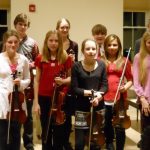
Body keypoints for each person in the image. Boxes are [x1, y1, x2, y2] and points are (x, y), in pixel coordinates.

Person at [34, 30, 73, 150]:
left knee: (58, 130)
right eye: (51, 40)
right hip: (43, 98)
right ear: (46, 42)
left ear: (60, 42)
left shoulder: (65, 57)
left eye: (56, 41)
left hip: (59, 99)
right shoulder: (40, 57)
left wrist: (63, 81)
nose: (53, 43)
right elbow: (37, 80)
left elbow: (71, 78)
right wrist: (36, 103)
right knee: (46, 130)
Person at [71, 38, 108, 150]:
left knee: (95, 142)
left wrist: (98, 96)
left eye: (93, 48)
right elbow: (74, 88)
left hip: (98, 106)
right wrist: (90, 93)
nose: (91, 51)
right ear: (83, 50)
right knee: (79, 143)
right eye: (88, 49)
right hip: (81, 107)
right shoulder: (76, 66)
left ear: (96, 50)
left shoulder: (102, 65)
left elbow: (105, 85)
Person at [0, 29, 30, 150]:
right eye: (10, 42)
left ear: (18, 43)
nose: (13, 45)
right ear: (5, 43)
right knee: (2, 134)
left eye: (15, 42)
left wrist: (21, 83)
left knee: (16, 134)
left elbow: (28, 79)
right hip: (2, 101)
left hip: (18, 102)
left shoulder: (23, 60)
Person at [13, 13, 39, 150]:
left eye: (25, 25)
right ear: (15, 25)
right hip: (12, 84)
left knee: (27, 116)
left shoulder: (33, 43)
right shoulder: (10, 41)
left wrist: (29, 65)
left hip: (27, 84)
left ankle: (29, 143)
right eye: (20, 24)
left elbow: (38, 62)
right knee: (14, 115)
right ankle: (14, 143)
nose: (23, 27)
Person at [103, 34, 133, 150]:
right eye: (109, 45)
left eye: (114, 45)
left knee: (120, 125)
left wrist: (125, 87)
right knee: (107, 124)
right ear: (105, 46)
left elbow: (131, 80)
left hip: (120, 99)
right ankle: (109, 143)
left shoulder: (125, 61)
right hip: (105, 98)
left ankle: (120, 147)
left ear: (119, 46)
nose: (112, 47)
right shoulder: (101, 60)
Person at [56, 17, 78, 150]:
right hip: (57, 81)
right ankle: (58, 141)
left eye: (66, 27)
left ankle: (66, 141)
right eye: (62, 27)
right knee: (57, 112)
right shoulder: (53, 43)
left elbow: (76, 66)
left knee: (68, 113)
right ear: (58, 28)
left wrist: (73, 61)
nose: (64, 29)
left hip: (69, 83)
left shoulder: (74, 45)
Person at [133, 31, 150, 150]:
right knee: (147, 133)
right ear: (144, 43)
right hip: (146, 101)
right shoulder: (139, 57)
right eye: (149, 42)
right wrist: (143, 99)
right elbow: (136, 82)